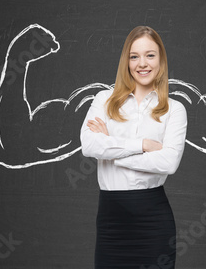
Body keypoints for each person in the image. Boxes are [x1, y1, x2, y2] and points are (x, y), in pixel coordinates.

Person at [80, 26, 188, 268]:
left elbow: (168, 163)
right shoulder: (103, 100)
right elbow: (89, 145)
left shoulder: (175, 109)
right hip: (111, 220)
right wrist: (142, 145)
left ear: (161, 60)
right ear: (126, 62)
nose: (142, 63)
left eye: (150, 55)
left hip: (153, 220)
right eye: (134, 56)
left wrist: (112, 153)